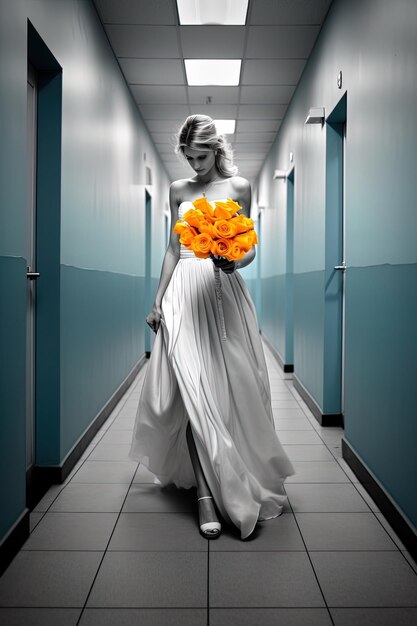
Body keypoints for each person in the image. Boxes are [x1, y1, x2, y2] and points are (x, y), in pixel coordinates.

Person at [129, 114, 295, 540]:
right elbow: (172, 248)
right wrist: (157, 299)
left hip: (223, 294)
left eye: (200, 156)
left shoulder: (238, 188)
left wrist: (232, 261)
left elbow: (251, 249)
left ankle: (233, 473)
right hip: (182, 295)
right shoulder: (177, 190)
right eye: (188, 157)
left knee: (228, 389)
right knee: (189, 390)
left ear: (216, 150)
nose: (194, 165)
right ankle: (205, 495)